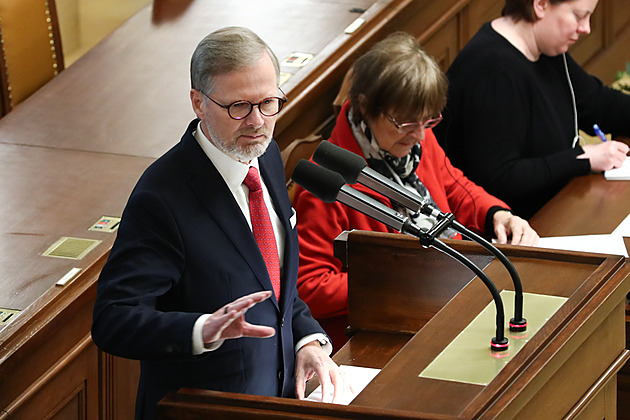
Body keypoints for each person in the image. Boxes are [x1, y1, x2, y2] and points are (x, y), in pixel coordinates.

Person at [91, 27, 344, 420]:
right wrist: (203, 330)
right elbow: (113, 320)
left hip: (274, 404)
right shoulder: (162, 198)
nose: (258, 122)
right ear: (198, 102)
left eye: (269, 102)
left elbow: (275, 283)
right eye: (239, 107)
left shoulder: (267, 156)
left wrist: (306, 341)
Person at [293, 32, 539, 349]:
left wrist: (497, 214)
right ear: (366, 108)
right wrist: (403, 277)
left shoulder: (414, 138)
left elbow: (453, 184)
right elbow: (311, 287)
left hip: (446, 294)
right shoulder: (328, 185)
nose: (419, 134)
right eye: (406, 123)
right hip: (381, 334)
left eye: (428, 121)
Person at [434, 0, 630, 219]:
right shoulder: (492, 68)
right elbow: (500, 179)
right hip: (509, 231)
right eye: (578, 16)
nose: (586, 28)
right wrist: (582, 158)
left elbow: (598, 104)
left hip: (554, 211)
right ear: (541, 5)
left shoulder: (547, 49)